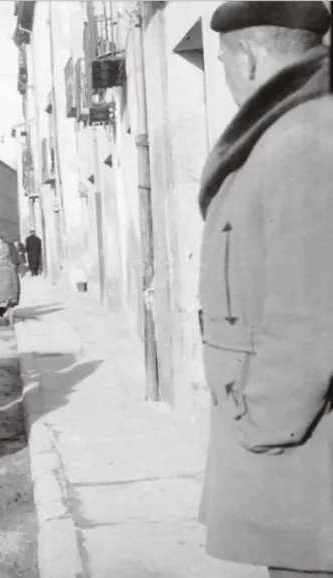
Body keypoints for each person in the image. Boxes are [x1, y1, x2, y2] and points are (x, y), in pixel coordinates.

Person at [198, 2, 333, 576]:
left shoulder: (304, 138)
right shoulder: (290, 131)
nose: (227, 78)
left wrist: (263, 423)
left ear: (249, 57)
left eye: (224, 63)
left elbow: (312, 314)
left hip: (303, 460)